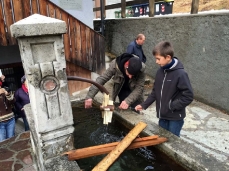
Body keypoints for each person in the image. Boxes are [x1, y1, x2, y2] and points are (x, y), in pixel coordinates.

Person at [135, 41, 193, 137]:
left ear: (168, 57)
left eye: (158, 59)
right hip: (162, 116)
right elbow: (155, 92)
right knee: (161, 140)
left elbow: (188, 96)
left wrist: (172, 105)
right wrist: (144, 105)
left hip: (175, 118)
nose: (156, 61)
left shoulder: (181, 74)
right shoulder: (160, 72)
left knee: (172, 143)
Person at [0, 74, 15, 142]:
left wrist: (8, 94)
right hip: (0, 122)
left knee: (11, 141)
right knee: (3, 143)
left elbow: (13, 101)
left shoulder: (5, 90)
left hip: (10, 119)